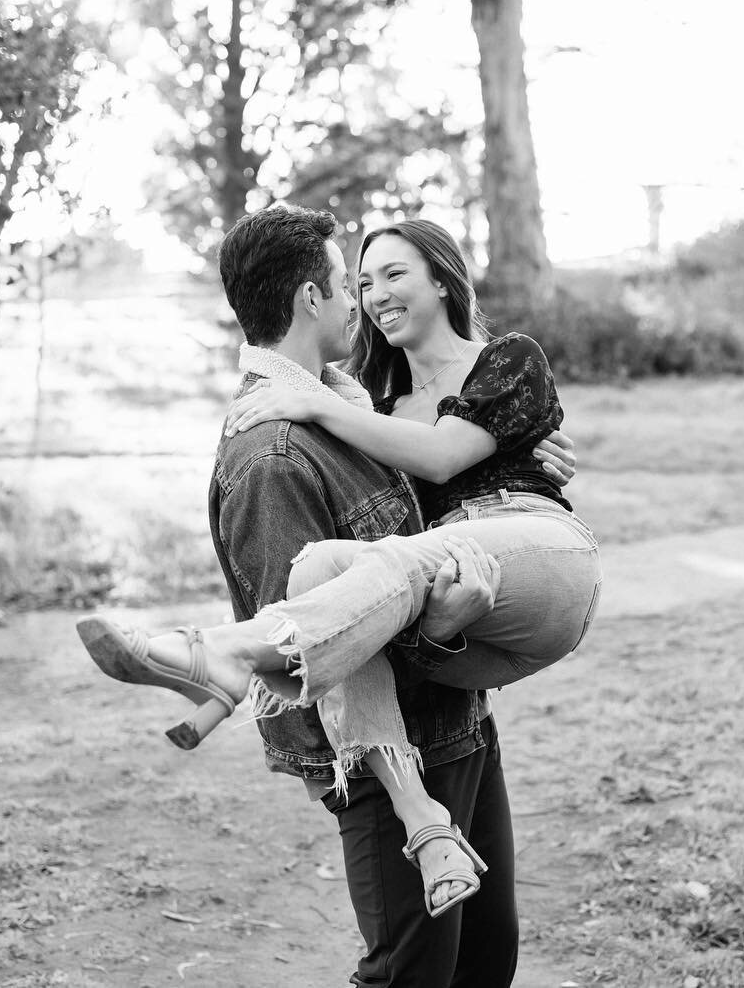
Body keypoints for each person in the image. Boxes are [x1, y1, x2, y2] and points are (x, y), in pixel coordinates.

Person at [82, 203, 579, 987]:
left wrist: (521, 454)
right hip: (388, 762)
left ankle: (216, 662)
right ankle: (221, 660)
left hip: (457, 724)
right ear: (312, 300)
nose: (362, 303)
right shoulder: (276, 452)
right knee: (411, 974)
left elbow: (440, 488)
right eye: (350, 284)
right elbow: (322, 644)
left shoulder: (351, 407)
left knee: (485, 961)